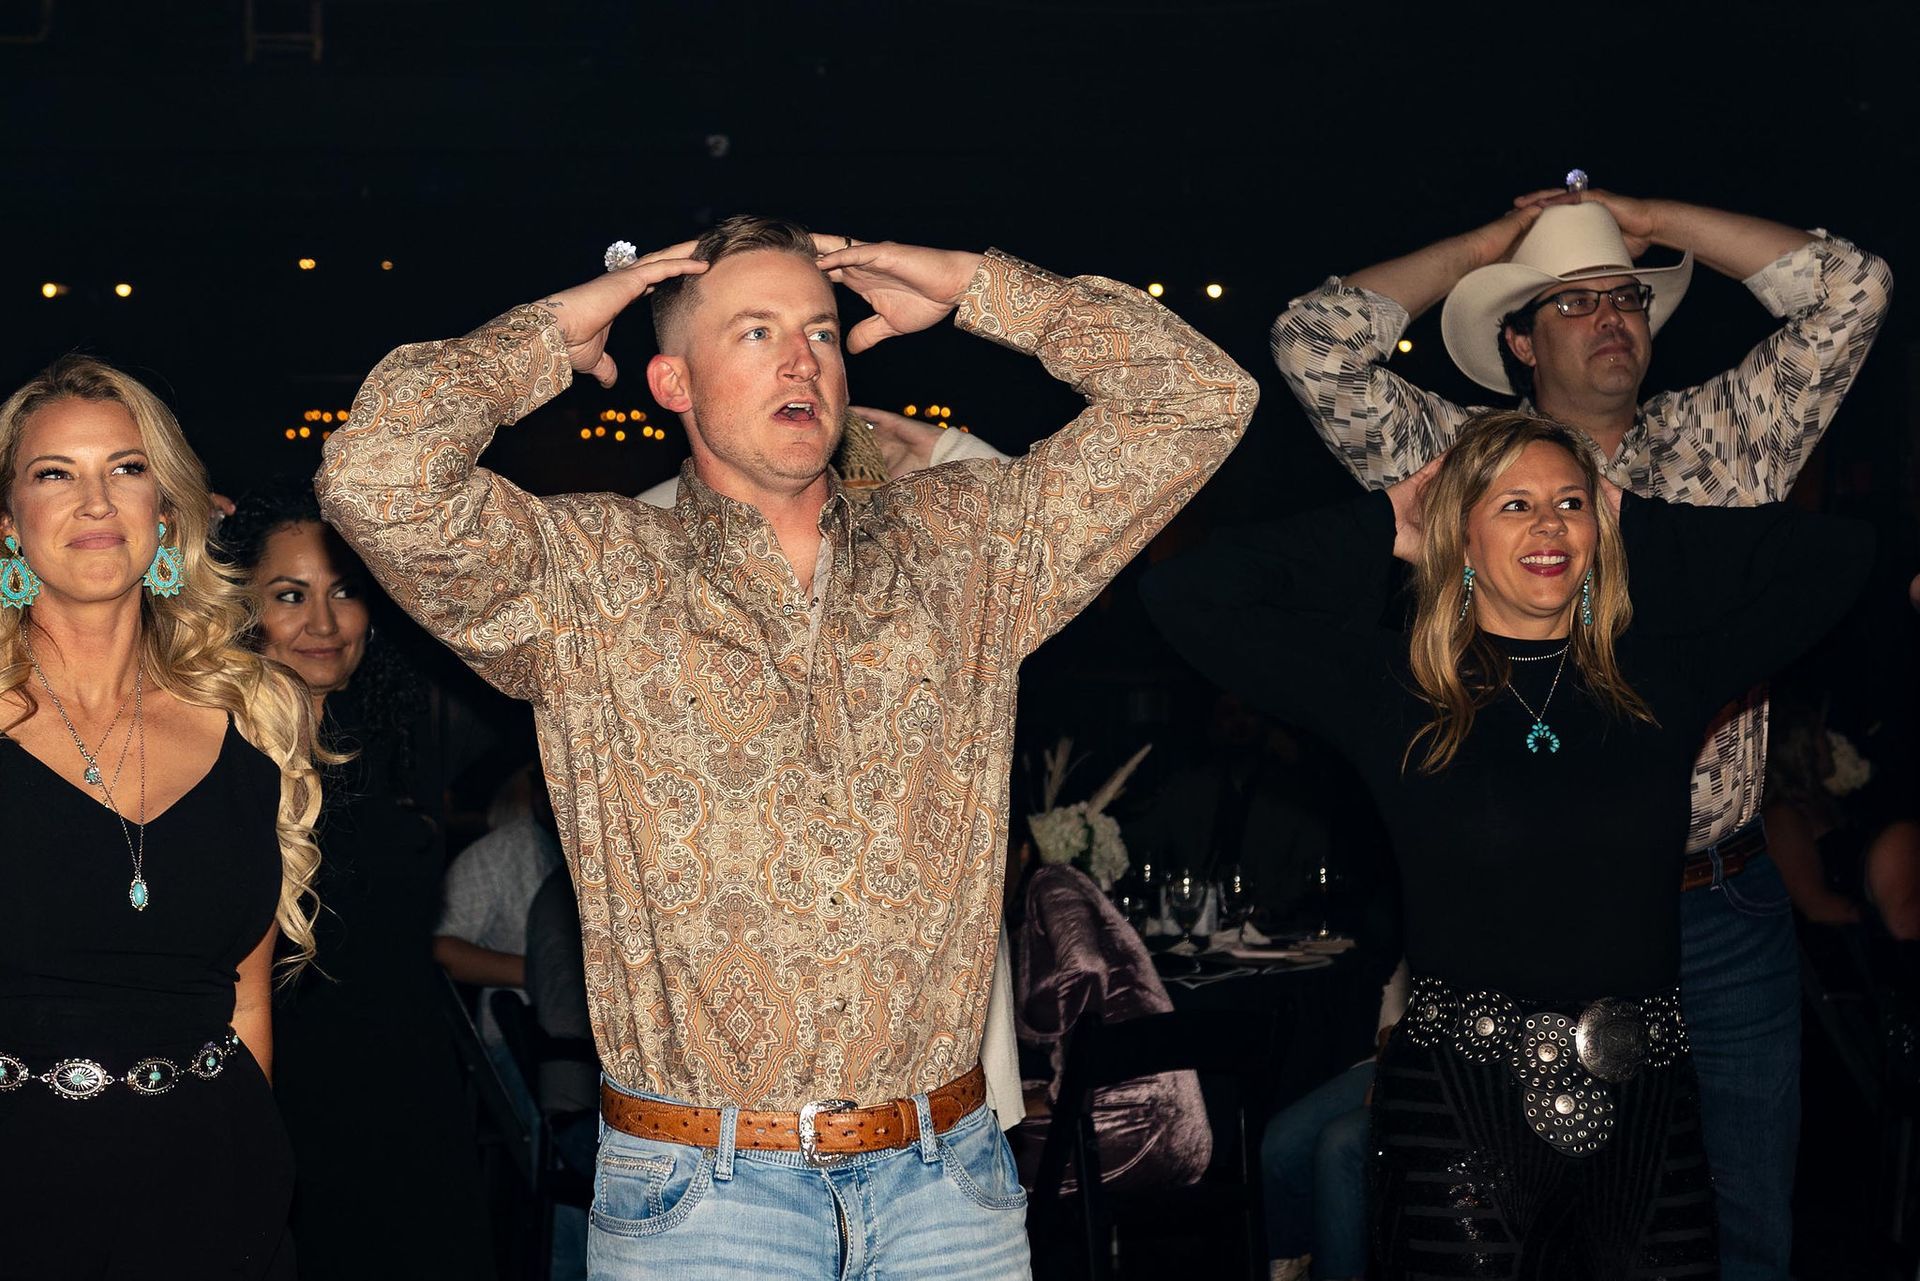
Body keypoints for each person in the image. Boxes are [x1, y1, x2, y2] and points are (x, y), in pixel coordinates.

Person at [314, 217, 1255, 1277]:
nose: (803, 355)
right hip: (704, 1199)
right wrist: (547, 335)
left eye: (821, 330)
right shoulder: (586, 573)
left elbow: (1200, 399)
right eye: (756, 333)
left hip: (949, 1187)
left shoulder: (967, 547)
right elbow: (377, 475)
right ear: (672, 383)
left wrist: (980, 287)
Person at [1270, 181, 1893, 1278]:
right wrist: (1485, 244)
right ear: (1515, 339)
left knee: (1739, 1232)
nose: (1614, 318)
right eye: (1574, 303)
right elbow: (1311, 342)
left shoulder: (1727, 434)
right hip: (1524, 924)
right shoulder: (1461, 458)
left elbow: (1855, 288)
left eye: (1629, 298)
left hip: (1717, 899)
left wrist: (1655, 218)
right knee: (1511, 1234)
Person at [1143, 411, 1871, 1276]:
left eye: (1569, 503)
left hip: (1649, 1112)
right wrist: (1387, 519)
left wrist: (1632, 515)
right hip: (1458, 1113)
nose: (1549, 524)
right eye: (1514, 504)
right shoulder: (1395, 690)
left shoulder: (1663, 678)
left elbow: (1839, 557)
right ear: (1461, 534)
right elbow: (1185, 593)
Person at [0, 357, 325, 1279]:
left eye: (128, 469)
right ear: (9, 525)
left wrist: (262, 1202)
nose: (96, 501)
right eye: (54, 473)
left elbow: (248, 998)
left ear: (169, 515)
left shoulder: (256, 716)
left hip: (217, 1204)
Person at [218, 477, 496, 1281]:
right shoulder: (217, 762)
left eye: (344, 590)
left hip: (410, 1092)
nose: (323, 622)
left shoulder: (386, 748)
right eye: (289, 594)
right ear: (245, 611)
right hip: (292, 1101)